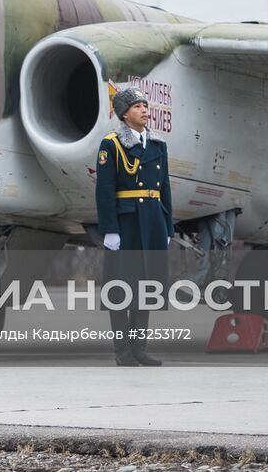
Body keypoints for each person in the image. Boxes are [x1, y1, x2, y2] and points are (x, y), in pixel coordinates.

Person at [96, 86, 172, 366]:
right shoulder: (112, 145)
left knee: (147, 287)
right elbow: (104, 190)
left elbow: (165, 188)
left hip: (152, 221)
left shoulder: (158, 145)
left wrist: (167, 226)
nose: (144, 110)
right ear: (124, 114)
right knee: (120, 289)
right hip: (126, 222)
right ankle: (122, 352)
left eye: (145, 105)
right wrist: (110, 229)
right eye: (137, 106)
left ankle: (139, 349)